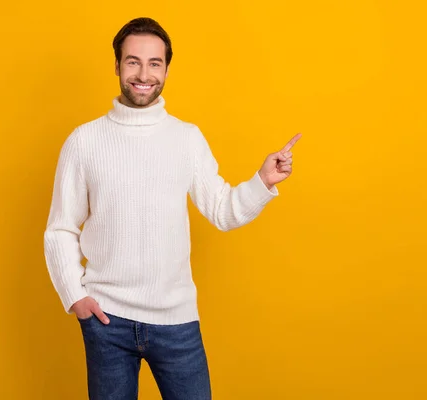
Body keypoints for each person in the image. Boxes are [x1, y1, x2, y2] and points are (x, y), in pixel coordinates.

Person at [43, 17, 301, 400]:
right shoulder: (85, 141)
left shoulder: (186, 138)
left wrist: (262, 182)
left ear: (166, 69)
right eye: (132, 62)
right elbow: (61, 228)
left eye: (154, 63)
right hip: (106, 321)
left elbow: (223, 210)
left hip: (176, 322)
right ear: (116, 67)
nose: (143, 73)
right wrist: (74, 295)